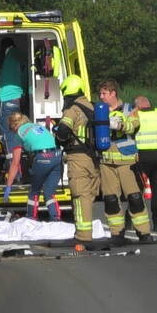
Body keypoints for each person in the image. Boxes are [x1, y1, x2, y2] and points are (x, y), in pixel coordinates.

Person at [97, 80, 151, 244]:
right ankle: (116, 233)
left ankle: (144, 233)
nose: (101, 97)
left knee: (135, 198)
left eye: (104, 93)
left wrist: (120, 125)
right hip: (106, 162)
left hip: (127, 162)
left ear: (113, 93)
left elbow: (134, 126)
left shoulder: (129, 109)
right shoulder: (99, 111)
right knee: (111, 200)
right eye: (100, 94)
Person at [54, 75, 98, 242]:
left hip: (78, 158)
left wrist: (57, 135)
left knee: (80, 196)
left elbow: (63, 131)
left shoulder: (73, 109)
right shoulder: (93, 107)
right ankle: (86, 231)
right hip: (94, 158)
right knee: (89, 195)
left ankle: (83, 235)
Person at [3, 112, 63, 221]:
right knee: (49, 192)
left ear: (13, 126)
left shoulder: (19, 134)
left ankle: (31, 218)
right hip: (57, 157)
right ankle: (56, 218)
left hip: (43, 158)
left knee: (34, 191)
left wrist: (8, 186)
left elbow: (15, 163)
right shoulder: (36, 126)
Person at [133, 95, 157, 232]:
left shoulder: (136, 114)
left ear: (138, 106)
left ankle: (133, 220)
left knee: (135, 189)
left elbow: (130, 130)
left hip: (143, 156)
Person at [0, 37, 25, 153]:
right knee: (17, 130)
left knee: (8, 135)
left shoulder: (6, 53)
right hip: (18, 99)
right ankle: (19, 160)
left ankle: (12, 163)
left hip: (6, 99)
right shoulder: (21, 55)